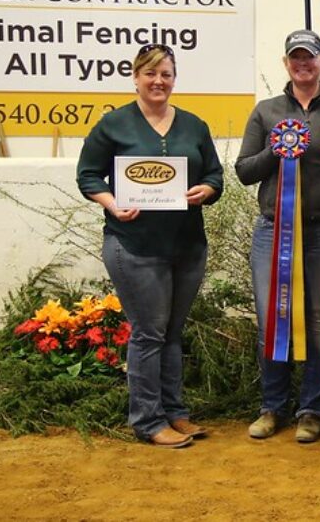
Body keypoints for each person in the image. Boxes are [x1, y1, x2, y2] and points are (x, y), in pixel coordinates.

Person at [77, 43, 223, 448]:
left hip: (188, 246)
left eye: (166, 74)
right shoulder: (113, 125)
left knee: (172, 333)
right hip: (134, 246)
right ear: (136, 77)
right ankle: (147, 420)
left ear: (174, 79)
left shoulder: (193, 125)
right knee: (149, 334)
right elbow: (88, 175)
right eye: (150, 73)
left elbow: (215, 175)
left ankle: (175, 413)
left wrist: (207, 190)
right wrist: (112, 203)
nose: (159, 81)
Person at [236, 29, 320, 443]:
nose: (303, 63)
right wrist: (277, 149)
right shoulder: (265, 112)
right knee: (273, 321)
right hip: (274, 230)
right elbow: (244, 171)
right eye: (296, 57)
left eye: (310, 57)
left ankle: (312, 410)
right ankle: (271, 407)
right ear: (286, 63)